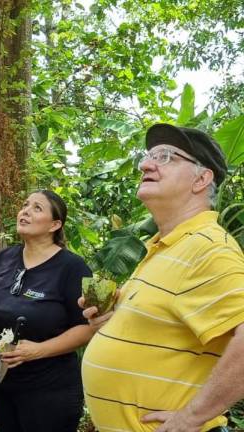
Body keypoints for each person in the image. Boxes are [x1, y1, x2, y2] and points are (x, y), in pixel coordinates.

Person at [80, 124, 244, 432]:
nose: (146, 164)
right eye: (150, 156)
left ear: (201, 179)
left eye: (166, 156)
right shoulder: (163, 246)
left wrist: (192, 416)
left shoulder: (208, 248)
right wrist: (109, 322)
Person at [0, 190, 94, 432]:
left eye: (37, 208)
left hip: (49, 387)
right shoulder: (5, 257)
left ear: (55, 224)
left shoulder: (72, 267)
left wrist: (38, 351)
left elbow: (87, 328)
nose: (25, 211)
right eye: (25, 205)